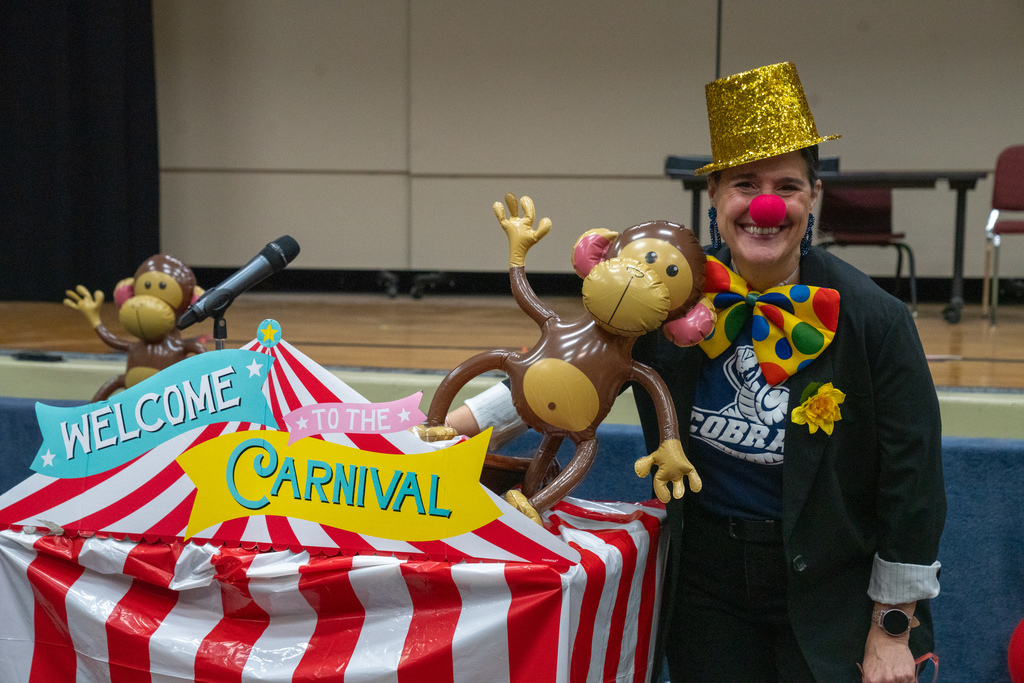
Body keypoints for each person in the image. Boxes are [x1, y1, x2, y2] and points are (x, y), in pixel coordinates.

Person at [447, 62, 945, 683]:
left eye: (788, 186)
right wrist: (440, 434)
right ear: (713, 196)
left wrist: (892, 625)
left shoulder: (877, 320)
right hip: (706, 584)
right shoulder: (663, 288)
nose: (766, 204)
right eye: (745, 184)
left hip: (831, 589)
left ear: (813, 198)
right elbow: (563, 373)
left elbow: (913, 480)